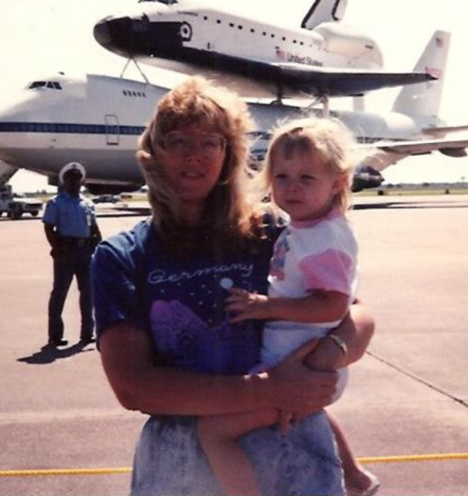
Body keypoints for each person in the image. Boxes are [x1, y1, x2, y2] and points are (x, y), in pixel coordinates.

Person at [92, 77, 375, 495]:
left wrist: (327, 357)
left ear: (229, 154)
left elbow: (356, 315)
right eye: (177, 141)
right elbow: (134, 386)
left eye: (212, 142)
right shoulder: (123, 256)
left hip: (295, 453)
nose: (196, 156)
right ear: (154, 152)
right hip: (182, 469)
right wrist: (272, 387)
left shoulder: (273, 231)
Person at [197, 117, 378, 496]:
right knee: (312, 412)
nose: (291, 187)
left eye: (306, 178)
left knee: (213, 432)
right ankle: (355, 475)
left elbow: (332, 306)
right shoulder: (305, 227)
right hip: (297, 354)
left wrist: (265, 308)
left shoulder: (324, 238)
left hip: (303, 358)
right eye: (281, 177)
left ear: (338, 183)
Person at [43, 162, 102, 348]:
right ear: (65, 181)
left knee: (88, 293)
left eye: (77, 179)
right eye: (70, 179)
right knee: (59, 293)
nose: (74, 183)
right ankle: (55, 336)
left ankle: (87, 333)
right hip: (66, 252)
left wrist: (99, 247)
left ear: (81, 181)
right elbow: (48, 227)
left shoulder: (87, 203)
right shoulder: (56, 202)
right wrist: (56, 247)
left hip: (85, 252)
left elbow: (93, 228)